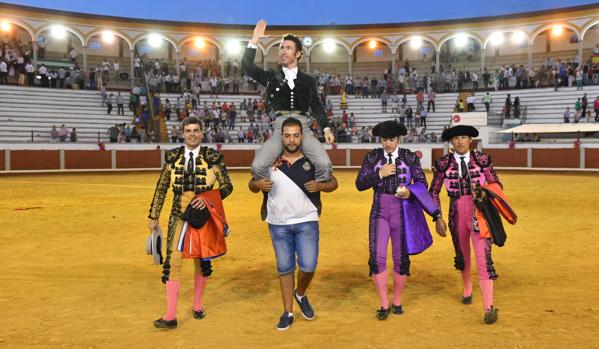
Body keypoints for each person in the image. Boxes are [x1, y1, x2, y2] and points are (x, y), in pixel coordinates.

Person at [249, 117, 338, 331]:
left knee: (308, 266)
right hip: (278, 223)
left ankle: (300, 293)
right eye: (287, 135)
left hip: (307, 220)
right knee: (285, 267)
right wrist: (257, 184)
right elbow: (252, 184)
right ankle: (287, 312)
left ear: (302, 136)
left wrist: (321, 186)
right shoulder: (269, 161)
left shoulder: (313, 161)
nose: (291, 140)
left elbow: (334, 182)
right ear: (281, 137)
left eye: (296, 135)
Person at [147, 116, 233, 329]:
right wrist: (154, 215)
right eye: (188, 131)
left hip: (203, 215)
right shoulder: (173, 156)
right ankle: (170, 316)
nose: (192, 134)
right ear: (183, 133)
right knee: (173, 263)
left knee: (201, 262)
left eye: (196, 130)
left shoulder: (212, 157)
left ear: (201, 133)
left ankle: (197, 305)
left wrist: (207, 199)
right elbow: (161, 187)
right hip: (178, 213)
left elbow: (227, 186)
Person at [355, 120, 439, 320]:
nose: (388, 144)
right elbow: (359, 183)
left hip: (402, 212)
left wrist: (409, 193)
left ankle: (397, 301)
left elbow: (421, 182)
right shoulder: (373, 157)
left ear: (399, 139)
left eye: (391, 140)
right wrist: (379, 174)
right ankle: (384, 303)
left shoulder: (409, 157)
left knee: (401, 259)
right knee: (377, 257)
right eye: (384, 140)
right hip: (379, 211)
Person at [241, 20, 334, 182]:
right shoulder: (271, 76)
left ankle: (311, 195)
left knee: (324, 164)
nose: (283, 51)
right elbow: (247, 67)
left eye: (288, 48)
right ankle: (273, 192)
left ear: (298, 54)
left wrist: (326, 128)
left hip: (303, 128)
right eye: (281, 48)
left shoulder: (308, 80)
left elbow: (317, 107)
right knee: (258, 166)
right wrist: (254, 40)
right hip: (280, 128)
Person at [429, 125, 503, 324]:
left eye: (464, 137)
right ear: (451, 143)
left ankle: (489, 307)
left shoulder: (482, 160)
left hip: (479, 213)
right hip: (456, 214)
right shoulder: (443, 163)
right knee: (462, 255)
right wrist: (437, 217)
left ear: (470, 140)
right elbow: (433, 191)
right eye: (456, 138)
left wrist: (485, 192)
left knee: (483, 258)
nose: (460, 141)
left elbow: (497, 184)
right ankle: (468, 287)